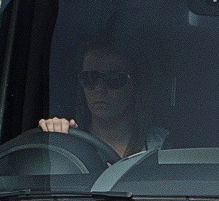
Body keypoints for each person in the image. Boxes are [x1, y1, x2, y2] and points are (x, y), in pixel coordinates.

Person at [36, 44, 167, 159]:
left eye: (114, 78)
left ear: (135, 86)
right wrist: (54, 137)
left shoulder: (162, 145)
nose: (99, 88)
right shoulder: (67, 143)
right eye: (89, 78)